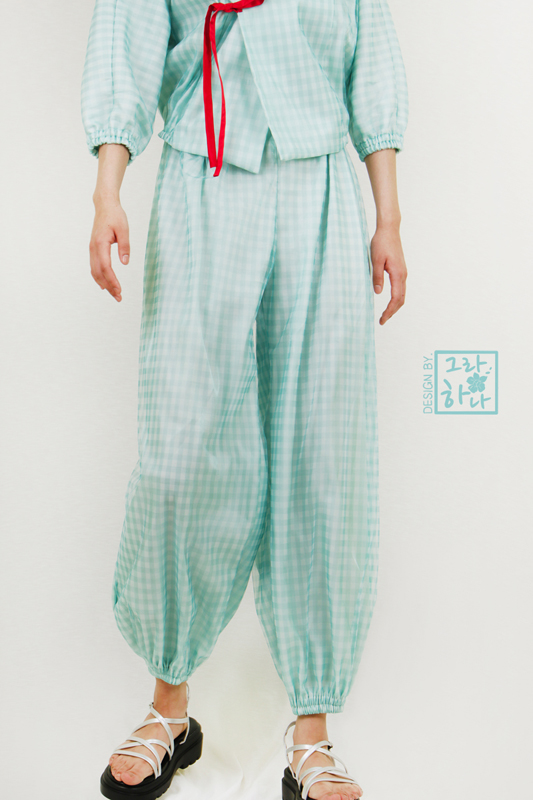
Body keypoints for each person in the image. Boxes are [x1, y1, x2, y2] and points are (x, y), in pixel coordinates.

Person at [81, 0, 409, 798]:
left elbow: (373, 62)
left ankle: (312, 730)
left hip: (320, 186)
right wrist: (106, 192)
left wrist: (389, 218)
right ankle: (169, 706)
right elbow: (124, 41)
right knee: (183, 450)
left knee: (320, 450)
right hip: (202, 178)